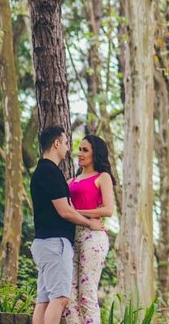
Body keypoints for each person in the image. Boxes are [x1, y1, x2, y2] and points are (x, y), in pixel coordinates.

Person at [31, 126, 104, 324]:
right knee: (60, 299)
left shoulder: (40, 171)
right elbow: (65, 211)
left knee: (44, 301)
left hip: (43, 243)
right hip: (55, 244)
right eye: (65, 143)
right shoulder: (51, 172)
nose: (67, 148)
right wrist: (89, 223)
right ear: (56, 144)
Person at [63, 134, 117, 324]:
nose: (80, 153)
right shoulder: (70, 181)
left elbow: (108, 210)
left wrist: (77, 213)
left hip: (93, 236)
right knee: (68, 297)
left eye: (85, 150)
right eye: (79, 149)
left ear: (96, 154)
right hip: (71, 237)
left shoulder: (103, 177)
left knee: (87, 293)